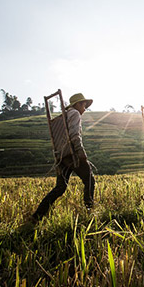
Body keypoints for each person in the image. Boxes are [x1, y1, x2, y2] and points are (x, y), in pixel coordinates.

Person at [32, 93, 95, 221]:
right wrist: (81, 152)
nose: (85, 108)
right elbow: (74, 134)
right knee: (89, 180)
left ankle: (37, 216)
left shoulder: (63, 116)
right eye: (83, 105)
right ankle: (89, 211)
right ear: (77, 104)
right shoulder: (75, 114)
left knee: (60, 188)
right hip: (72, 155)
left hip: (61, 157)